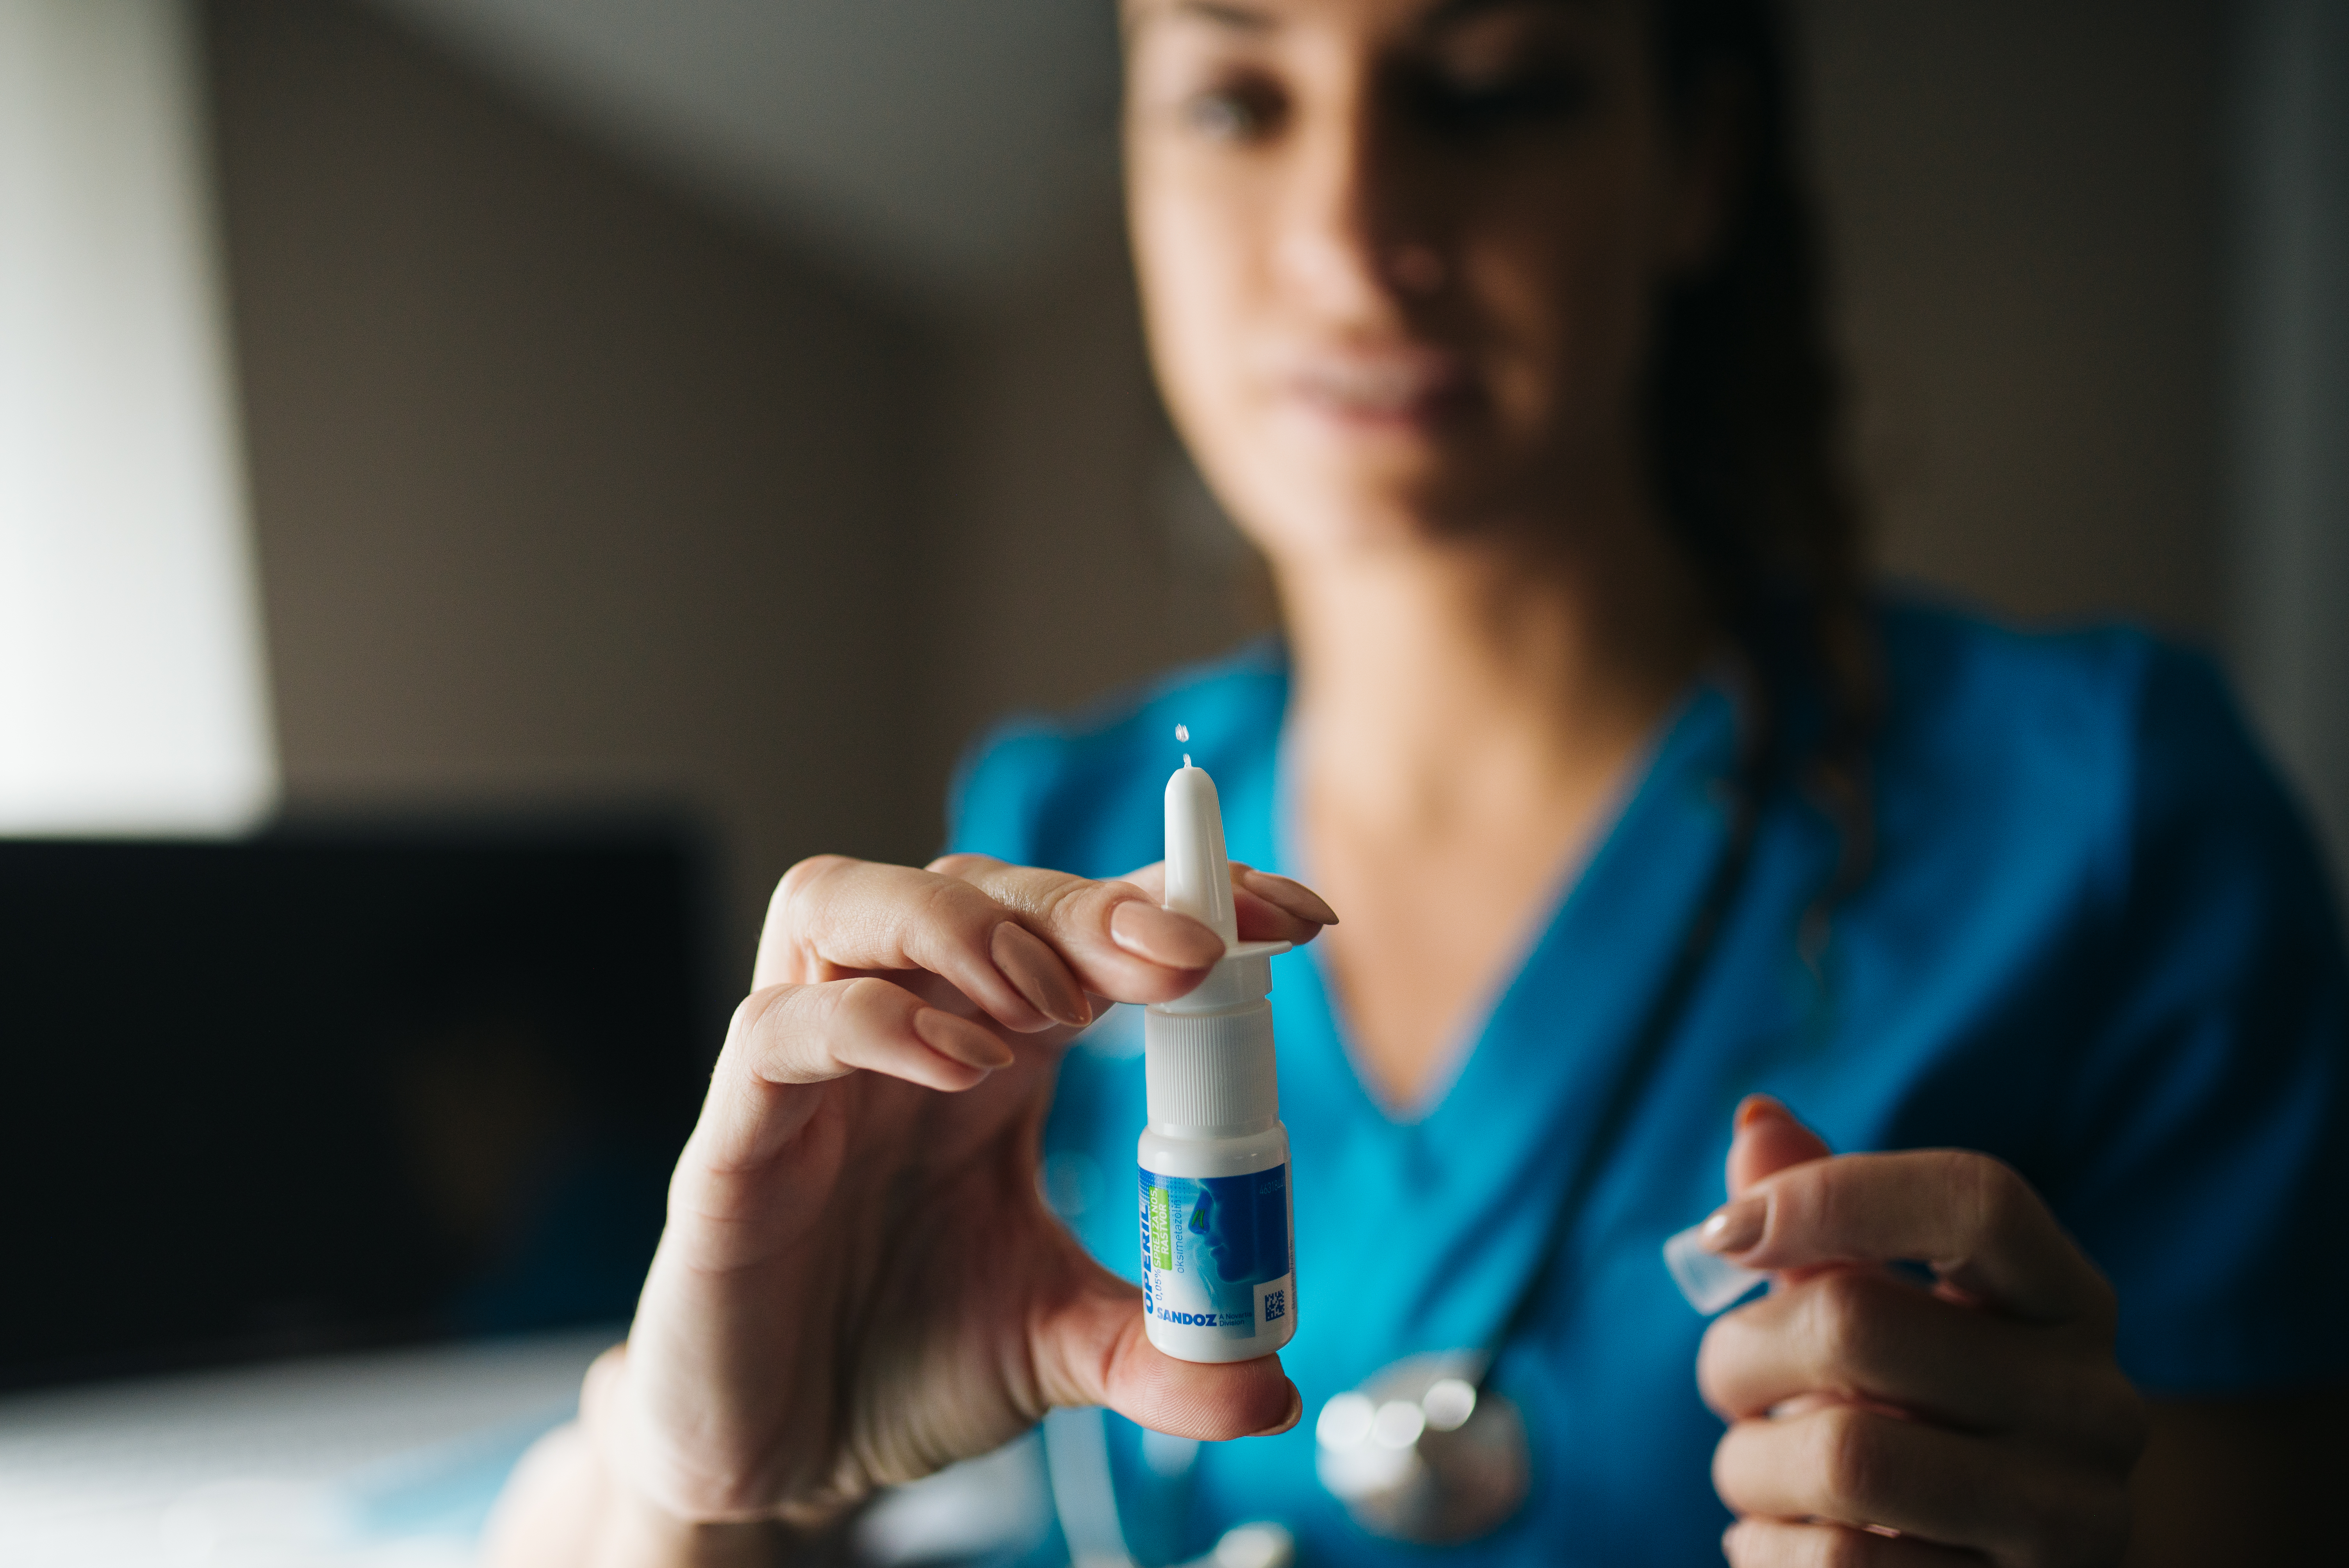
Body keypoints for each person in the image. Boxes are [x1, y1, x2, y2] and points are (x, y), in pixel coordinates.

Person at [483, 0, 2348, 1563]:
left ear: (1694, 162)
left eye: (1487, 89)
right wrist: (710, 1482)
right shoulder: (1035, 858)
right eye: (1234, 100)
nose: (1352, 234)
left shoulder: (2105, 813)